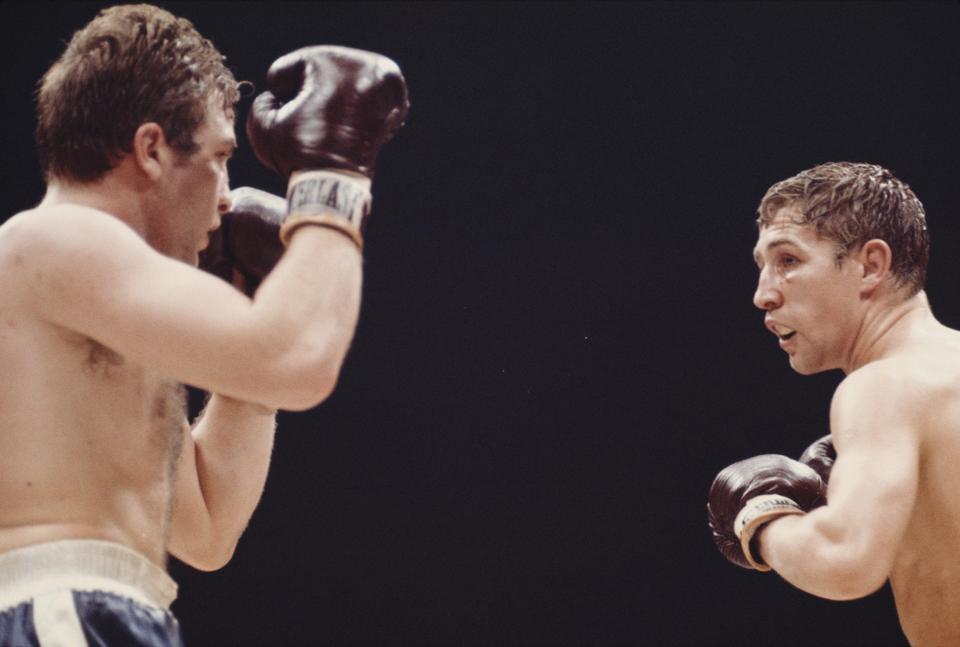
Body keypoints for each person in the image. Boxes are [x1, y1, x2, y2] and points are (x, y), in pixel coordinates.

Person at [0, 4, 408, 645]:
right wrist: (334, 177)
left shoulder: (95, 299)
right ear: (152, 148)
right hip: (58, 604)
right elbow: (301, 359)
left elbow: (207, 528)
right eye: (219, 157)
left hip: (106, 606)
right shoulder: (55, 240)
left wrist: (254, 323)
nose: (226, 194)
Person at [707, 161, 960, 645]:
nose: (763, 295)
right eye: (761, 266)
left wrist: (762, 520)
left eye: (788, 261)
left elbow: (846, 560)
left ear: (870, 266)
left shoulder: (882, 387)